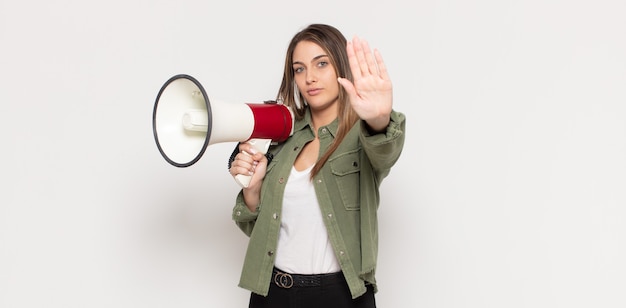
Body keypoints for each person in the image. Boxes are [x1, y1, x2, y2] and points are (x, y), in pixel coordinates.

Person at [228, 23, 406, 308]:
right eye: (299, 69)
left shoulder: (363, 134)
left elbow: (386, 150)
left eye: (321, 64)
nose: (310, 77)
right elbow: (260, 230)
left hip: (341, 295)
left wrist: (380, 119)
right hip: (273, 293)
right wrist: (253, 190)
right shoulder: (282, 138)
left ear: (341, 67)